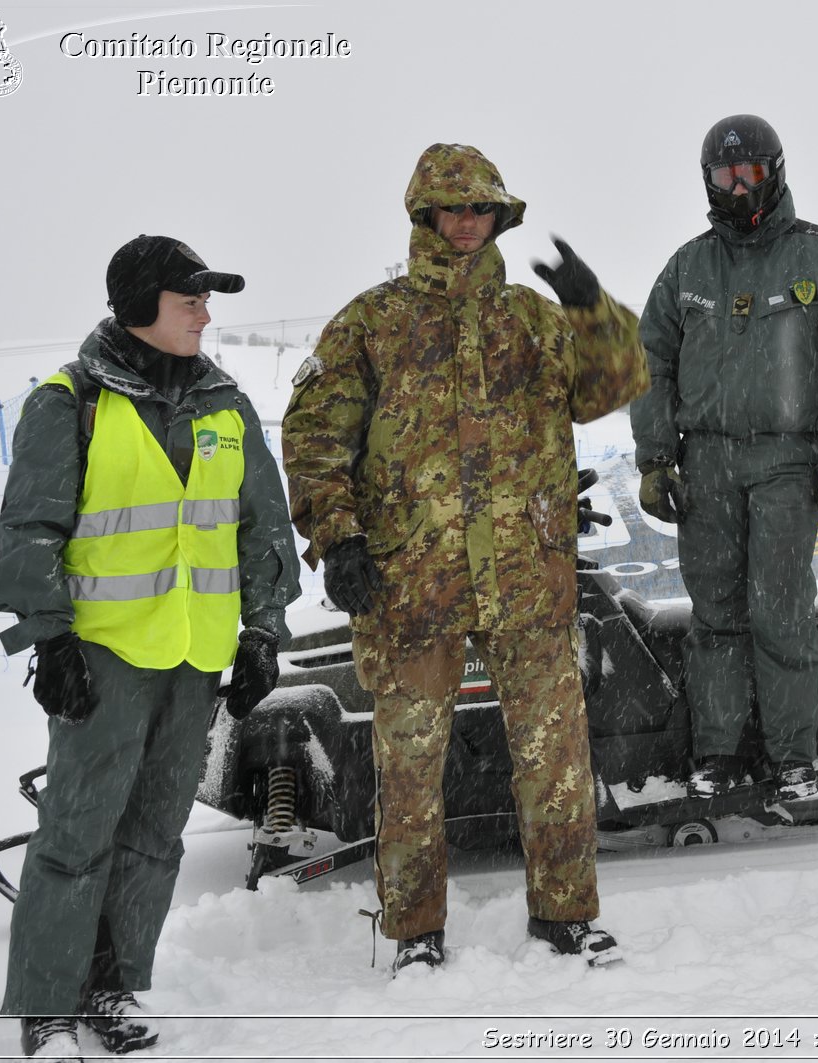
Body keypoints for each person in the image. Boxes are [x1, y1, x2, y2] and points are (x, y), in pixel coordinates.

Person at [282, 143, 648, 973]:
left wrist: (592, 309)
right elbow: (312, 437)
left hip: (527, 580)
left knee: (556, 761)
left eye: (481, 209)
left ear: (499, 219)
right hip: (413, 588)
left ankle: (566, 915)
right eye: (452, 209)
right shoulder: (373, 323)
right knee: (409, 770)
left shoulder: (531, 319)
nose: (467, 223)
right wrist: (336, 537)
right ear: (424, 217)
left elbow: (615, 384)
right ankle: (415, 932)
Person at [0, 235, 301, 1059]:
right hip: (105, 661)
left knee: (156, 837)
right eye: (187, 297)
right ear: (137, 308)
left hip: (196, 662)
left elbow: (262, 530)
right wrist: (48, 641)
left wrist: (264, 630)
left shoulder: (225, 406)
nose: (205, 312)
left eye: (206, 297)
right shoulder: (69, 403)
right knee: (77, 832)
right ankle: (48, 1005)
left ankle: (111, 984)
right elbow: (27, 533)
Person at [630, 114, 818, 800]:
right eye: (722, 176)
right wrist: (656, 459)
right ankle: (716, 754)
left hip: (785, 462)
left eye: (746, 174)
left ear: (773, 172)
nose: (735, 188)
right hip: (705, 463)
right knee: (714, 614)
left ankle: (792, 757)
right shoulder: (687, 268)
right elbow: (646, 362)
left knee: (779, 608)